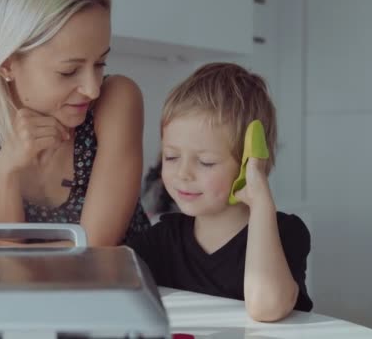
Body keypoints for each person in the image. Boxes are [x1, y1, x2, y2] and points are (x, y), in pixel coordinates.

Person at [0, 0, 150, 248]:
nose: (93, 89)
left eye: (100, 64)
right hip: (17, 286)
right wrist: (6, 170)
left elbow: (95, 250)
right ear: (6, 64)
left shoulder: (117, 98)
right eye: (69, 71)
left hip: (121, 284)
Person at [126, 62, 313, 322]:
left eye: (206, 162)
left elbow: (266, 307)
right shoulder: (161, 240)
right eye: (171, 157)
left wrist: (261, 205)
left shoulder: (286, 234)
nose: (183, 174)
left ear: (249, 163)